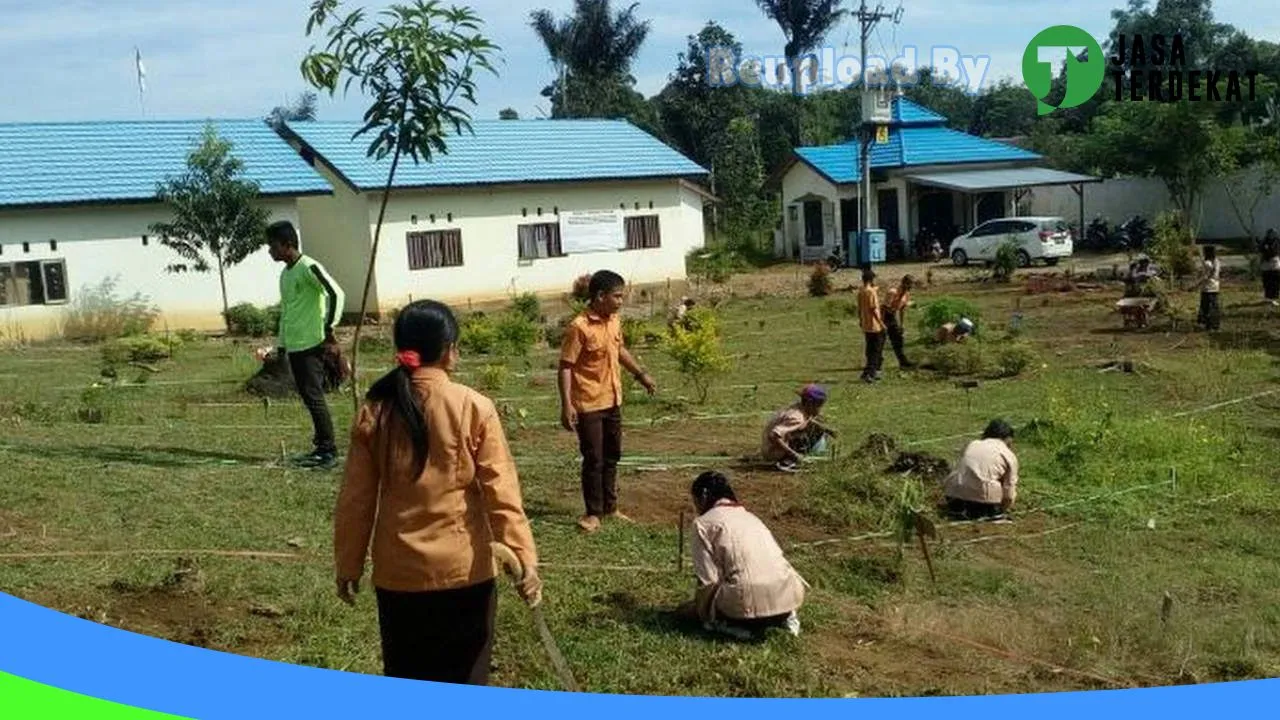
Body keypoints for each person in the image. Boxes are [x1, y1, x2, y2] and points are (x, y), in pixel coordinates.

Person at [333, 300, 541, 685]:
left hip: (398, 576)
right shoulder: (473, 406)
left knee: (409, 679)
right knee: (466, 680)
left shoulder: (375, 409)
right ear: (449, 350)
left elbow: (355, 500)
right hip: (464, 573)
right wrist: (525, 559)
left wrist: (348, 564)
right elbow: (502, 494)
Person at [559, 270, 657, 534]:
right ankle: (592, 513)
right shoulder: (579, 327)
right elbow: (566, 366)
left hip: (613, 398)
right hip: (588, 402)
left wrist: (640, 374)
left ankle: (611, 507)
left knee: (612, 455)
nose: (621, 301)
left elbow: (620, 349)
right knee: (594, 458)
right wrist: (566, 404)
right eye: (617, 296)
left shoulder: (614, 320)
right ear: (600, 296)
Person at [688, 471, 806, 640]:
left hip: (744, 602)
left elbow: (708, 580)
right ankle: (784, 617)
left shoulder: (703, 524)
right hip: (787, 594)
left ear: (704, 496)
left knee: (704, 609)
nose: (697, 508)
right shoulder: (752, 518)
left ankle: (734, 628)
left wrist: (702, 611)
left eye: (696, 502)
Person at [267, 220, 346, 469]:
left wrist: (328, 328)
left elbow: (335, 293)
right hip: (296, 346)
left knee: (314, 396)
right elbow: (287, 311)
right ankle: (321, 447)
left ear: (287, 244)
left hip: (313, 343)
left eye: (273, 246)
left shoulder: (308, 266)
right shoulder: (285, 274)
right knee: (309, 396)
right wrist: (281, 346)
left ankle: (328, 452)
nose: (270, 251)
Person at [940, 419, 1019, 521]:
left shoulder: (972, 444)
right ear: (1008, 438)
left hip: (953, 497)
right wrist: (1004, 508)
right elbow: (1009, 492)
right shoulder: (1008, 454)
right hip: (984, 503)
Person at [761, 385, 837, 472]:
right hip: (773, 451)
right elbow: (773, 435)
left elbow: (809, 420)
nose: (820, 409)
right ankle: (788, 460)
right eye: (819, 406)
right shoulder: (796, 418)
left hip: (771, 447)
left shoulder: (800, 407)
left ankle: (790, 456)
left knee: (818, 428)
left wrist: (827, 429)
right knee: (816, 431)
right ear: (810, 404)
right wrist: (795, 455)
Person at [857, 268, 886, 383]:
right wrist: (881, 323)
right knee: (876, 350)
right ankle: (871, 373)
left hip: (866, 324)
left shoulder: (861, 291)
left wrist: (860, 320)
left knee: (869, 350)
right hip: (874, 325)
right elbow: (873, 309)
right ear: (871, 279)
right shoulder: (871, 292)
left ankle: (866, 372)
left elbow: (859, 309)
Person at [883, 275, 916, 369]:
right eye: (909, 285)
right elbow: (885, 307)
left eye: (911, 285)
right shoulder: (892, 292)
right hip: (884, 317)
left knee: (898, 339)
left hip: (892, 317)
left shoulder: (906, 294)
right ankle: (875, 364)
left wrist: (902, 324)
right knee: (880, 341)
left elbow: (902, 309)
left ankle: (903, 362)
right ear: (903, 283)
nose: (910, 287)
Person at [1197, 244, 1221, 331]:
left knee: (1206, 306)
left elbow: (1206, 276)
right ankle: (1215, 324)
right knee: (1214, 306)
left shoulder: (1207, 263)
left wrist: (1196, 284)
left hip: (1207, 287)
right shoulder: (1217, 261)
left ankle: (1208, 324)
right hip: (1215, 286)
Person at [1260, 229, 1280, 306]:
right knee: (1267, 283)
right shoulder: (1264, 242)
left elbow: (1275, 251)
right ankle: (1268, 298)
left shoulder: (1277, 241)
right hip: (1266, 265)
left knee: (1275, 283)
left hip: (1274, 264)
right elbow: (1261, 249)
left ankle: (1273, 299)